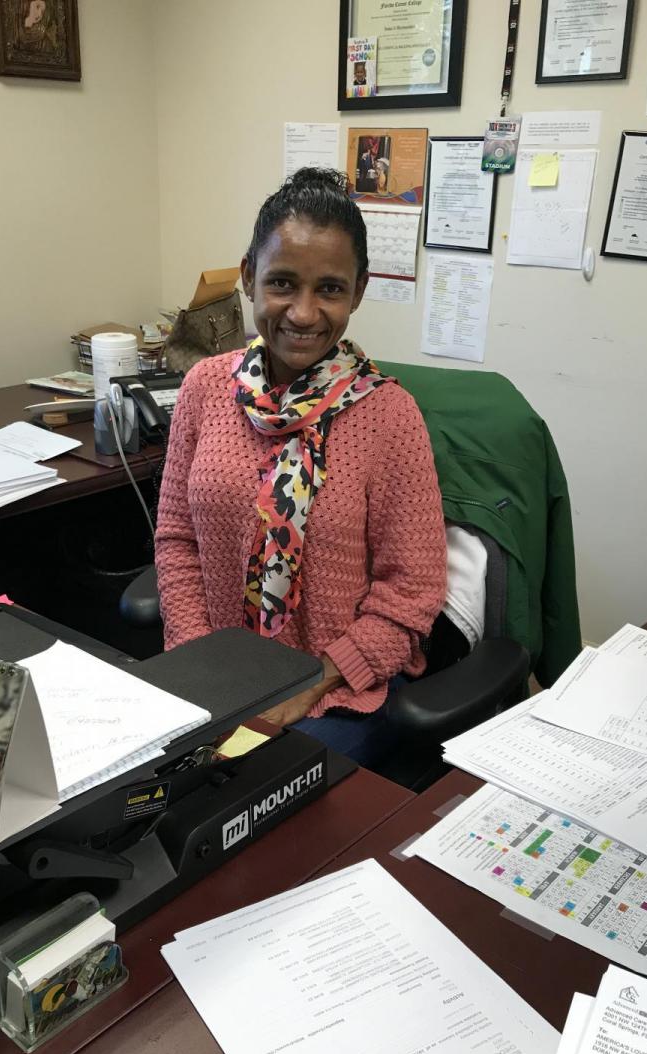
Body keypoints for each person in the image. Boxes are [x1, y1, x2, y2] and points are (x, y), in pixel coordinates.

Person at [154, 167, 446, 768]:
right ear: (247, 277)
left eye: (331, 289)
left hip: (335, 691)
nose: (305, 313)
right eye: (283, 283)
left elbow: (412, 593)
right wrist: (197, 664)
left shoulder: (390, 416)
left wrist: (312, 681)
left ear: (358, 291)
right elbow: (178, 539)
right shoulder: (205, 387)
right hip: (217, 676)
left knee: (251, 799)